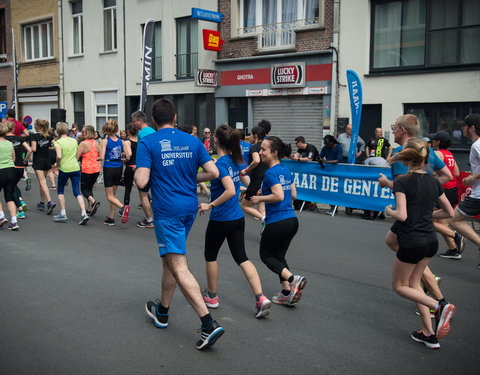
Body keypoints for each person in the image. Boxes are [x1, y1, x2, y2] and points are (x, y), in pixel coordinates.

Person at [136, 98, 224, 350]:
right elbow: (214, 173)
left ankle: (208, 323)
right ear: (174, 118)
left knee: (178, 263)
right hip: (189, 208)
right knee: (170, 260)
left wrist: (153, 172)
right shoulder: (193, 140)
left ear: (153, 120)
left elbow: (142, 181)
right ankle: (162, 312)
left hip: (168, 210)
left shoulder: (148, 142)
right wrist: (189, 175)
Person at [385, 138, 456, 349]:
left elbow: (402, 215)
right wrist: (428, 214)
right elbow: (449, 212)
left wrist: (388, 211)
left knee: (399, 286)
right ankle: (428, 333)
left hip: (412, 241)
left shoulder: (402, 181)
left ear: (406, 158)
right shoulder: (434, 181)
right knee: (415, 285)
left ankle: (439, 306)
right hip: (430, 242)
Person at [379, 114, 453, 310]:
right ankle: (425, 277)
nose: (392, 131)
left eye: (394, 127)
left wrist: (388, 184)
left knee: (408, 273)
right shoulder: (424, 148)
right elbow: (447, 175)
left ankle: (438, 299)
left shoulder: (401, 153)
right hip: (418, 216)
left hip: (408, 217)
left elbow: (404, 184)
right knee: (390, 240)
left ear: (403, 131)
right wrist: (430, 189)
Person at [198, 124, 272, 319]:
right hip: (238, 218)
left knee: (211, 255)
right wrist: (251, 191)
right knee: (242, 257)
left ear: (215, 140)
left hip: (221, 218)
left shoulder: (221, 164)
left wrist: (210, 205)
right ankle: (260, 297)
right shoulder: (235, 160)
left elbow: (231, 190)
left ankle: (212, 297)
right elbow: (245, 180)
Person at [250, 136, 307, 306]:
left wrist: (258, 199)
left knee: (266, 255)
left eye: (264, 149)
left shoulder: (270, 173)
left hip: (277, 221)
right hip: (291, 220)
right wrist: (266, 193)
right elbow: (293, 195)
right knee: (279, 257)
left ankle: (293, 279)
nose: (260, 152)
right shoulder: (285, 170)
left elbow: (279, 196)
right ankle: (286, 292)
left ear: (274, 153)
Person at [448, 113, 480, 268]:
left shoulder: (477, 145)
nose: (462, 129)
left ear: (472, 128)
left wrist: (472, 178)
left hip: (478, 195)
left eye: (464, 126)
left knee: (454, 220)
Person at [428, 131, 464, 259]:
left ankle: (455, 235)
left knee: (427, 220)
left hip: (442, 191)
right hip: (453, 190)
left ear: (437, 142)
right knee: (441, 222)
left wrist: (435, 176)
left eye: (434, 140)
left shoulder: (437, 153)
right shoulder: (450, 154)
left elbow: (430, 171)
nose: (432, 142)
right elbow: (457, 173)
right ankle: (453, 249)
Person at [52, 122, 89, 225]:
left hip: (64, 168)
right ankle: (84, 213)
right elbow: (77, 154)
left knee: (60, 190)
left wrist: (57, 164)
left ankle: (63, 213)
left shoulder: (58, 142)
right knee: (77, 191)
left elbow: (59, 156)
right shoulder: (74, 141)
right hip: (75, 167)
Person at [99, 119, 131, 226]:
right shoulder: (121, 141)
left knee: (109, 196)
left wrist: (99, 157)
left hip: (109, 167)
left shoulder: (105, 141)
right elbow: (128, 156)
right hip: (119, 167)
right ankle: (111, 218)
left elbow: (102, 157)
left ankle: (123, 207)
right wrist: (122, 159)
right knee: (113, 195)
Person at [131, 110, 155, 228]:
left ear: (140, 121)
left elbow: (142, 153)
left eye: (134, 121)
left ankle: (149, 219)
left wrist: (138, 167)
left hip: (146, 168)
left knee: (143, 195)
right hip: (156, 167)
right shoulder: (153, 131)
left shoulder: (141, 134)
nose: (133, 124)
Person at [240, 126, 268, 227]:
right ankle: (266, 226)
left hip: (257, 180)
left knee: (244, 205)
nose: (250, 137)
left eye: (251, 135)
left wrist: (246, 170)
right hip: (267, 179)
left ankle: (265, 220)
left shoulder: (255, 147)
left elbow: (256, 160)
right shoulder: (268, 146)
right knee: (261, 203)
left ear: (255, 135)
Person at [5, 121, 32, 219]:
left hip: (10, 166)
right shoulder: (20, 138)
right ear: (13, 129)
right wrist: (26, 160)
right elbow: (29, 150)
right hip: (20, 167)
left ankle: (20, 208)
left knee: (9, 188)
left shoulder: (4, 140)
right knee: (13, 186)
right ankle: (21, 201)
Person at [31, 119, 56, 215]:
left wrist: (27, 147)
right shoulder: (49, 136)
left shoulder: (35, 136)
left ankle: (49, 202)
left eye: (35, 125)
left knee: (42, 182)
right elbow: (56, 145)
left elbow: (33, 149)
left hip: (38, 161)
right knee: (42, 183)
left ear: (39, 126)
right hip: (47, 161)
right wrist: (48, 147)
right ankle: (42, 202)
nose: (34, 126)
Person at [77, 125, 101, 216]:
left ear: (88, 132)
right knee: (89, 188)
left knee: (83, 189)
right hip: (96, 168)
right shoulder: (96, 143)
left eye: (83, 132)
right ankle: (90, 208)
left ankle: (94, 202)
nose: (82, 133)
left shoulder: (83, 143)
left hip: (87, 169)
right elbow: (100, 154)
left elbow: (77, 156)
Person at [0, 122, 19, 230]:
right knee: (9, 196)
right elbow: (14, 159)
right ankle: (14, 221)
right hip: (11, 171)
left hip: (1, 170)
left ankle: (1, 216)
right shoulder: (9, 143)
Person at [319, 135, 343, 215]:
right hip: (327, 171)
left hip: (336, 171)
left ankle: (334, 208)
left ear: (332, 142)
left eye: (328, 143)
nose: (326, 145)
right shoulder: (325, 148)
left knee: (335, 190)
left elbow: (338, 160)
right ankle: (332, 207)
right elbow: (320, 157)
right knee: (328, 190)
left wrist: (326, 162)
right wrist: (320, 160)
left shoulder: (338, 147)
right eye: (325, 143)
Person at [122, 124, 138, 215]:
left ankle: (125, 207)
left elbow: (129, 154)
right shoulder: (139, 141)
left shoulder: (127, 142)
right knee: (141, 188)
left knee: (128, 188)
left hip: (130, 166)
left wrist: (124, 158)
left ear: (128, 132)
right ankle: (149, 201)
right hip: (138, 166)